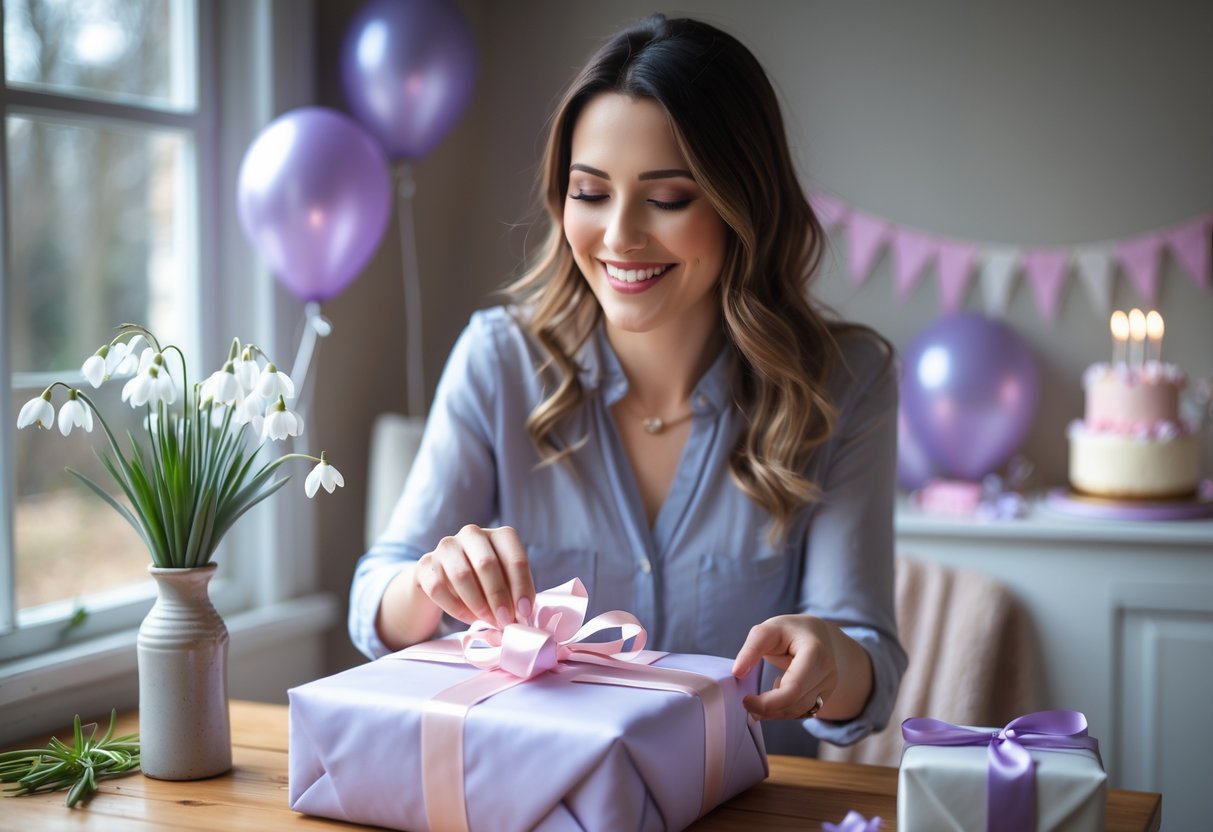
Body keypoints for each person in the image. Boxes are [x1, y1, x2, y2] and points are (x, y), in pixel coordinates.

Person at [349, 13, 905, 755]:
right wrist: (431, 582)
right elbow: (373, 596)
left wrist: (834, 658)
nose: (618, 236)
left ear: (744, 205)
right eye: (589, 192)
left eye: (667, 197)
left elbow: (867, 664)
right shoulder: (498, 359)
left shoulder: (845, 382)